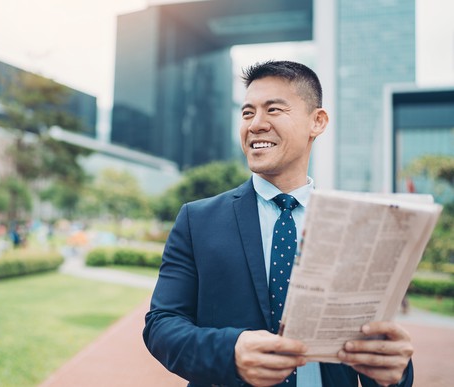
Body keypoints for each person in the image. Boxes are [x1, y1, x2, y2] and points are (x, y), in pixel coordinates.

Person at [143, 60, 414, 387]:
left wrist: (395, 373)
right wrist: (231, 351)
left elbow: (373, 341)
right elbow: (162, 324)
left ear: (318, 121)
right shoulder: (197, 219)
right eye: (247, 113)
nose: (256, 124)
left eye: (273, 110)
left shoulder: (357, 227)